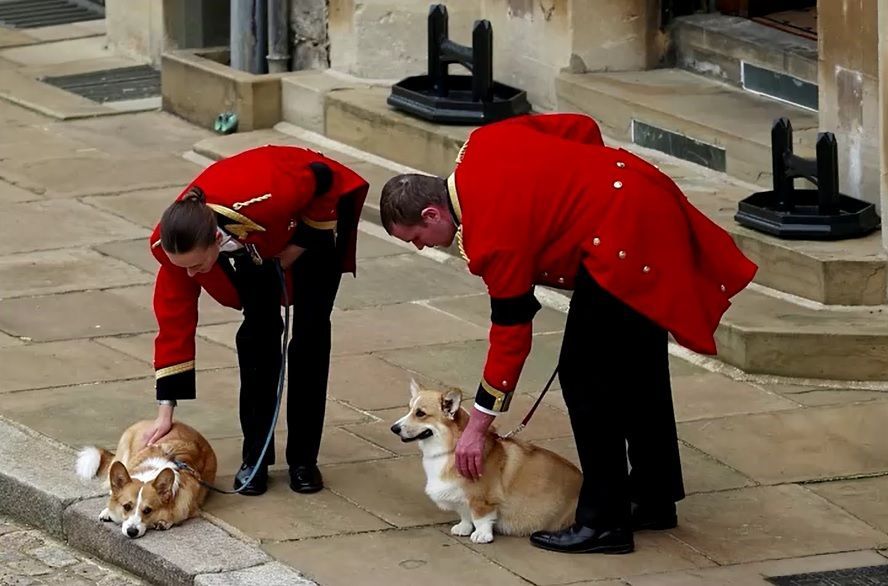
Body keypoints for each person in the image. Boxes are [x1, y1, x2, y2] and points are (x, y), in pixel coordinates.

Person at [378, 112, 757, 554]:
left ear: (431, 211)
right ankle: (654, 497)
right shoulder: (482, 143)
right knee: (638, 366)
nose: (423, 247)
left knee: (585, 378)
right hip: (639, 197)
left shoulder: (491, 235)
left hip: (622, 241)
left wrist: (477, 426)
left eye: (418, 237)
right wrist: (585, 188)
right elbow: (579, 127)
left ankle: (604, 522)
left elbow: (511, 335)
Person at [145, 145, 368, 496]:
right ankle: (256, 459)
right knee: (257, 340)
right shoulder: (174, 246)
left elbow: (324, 180)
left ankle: (303, 461)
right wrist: (165, 410)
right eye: (182, 266)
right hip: (255, 247)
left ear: (215, 240)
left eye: (195, 265)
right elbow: (174, 323)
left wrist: (298, 246)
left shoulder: (270, 194)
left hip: (310, 230)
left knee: (310, 340)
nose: (188, 273)